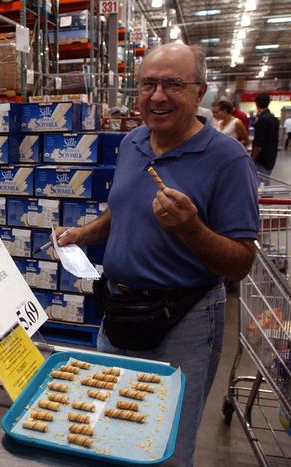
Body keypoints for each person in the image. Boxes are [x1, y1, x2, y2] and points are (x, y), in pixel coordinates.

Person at [56, 43, 258, 467]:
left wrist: (191, 229)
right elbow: (121, 209)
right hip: (117, 311)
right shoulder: (133, 142)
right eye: (149, 83)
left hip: (183, 323)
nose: (158, 95)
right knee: (107, 428)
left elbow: (240, 261)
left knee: (162, 445)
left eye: (173, 84)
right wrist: (83, 233)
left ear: (199, 92)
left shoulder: (228, 160)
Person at [251, 92, 280, 178]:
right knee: (265, 182)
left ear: (256, 103)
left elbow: (259, 143)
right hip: (271, 156)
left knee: (258, 183)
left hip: (261, 159)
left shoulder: (262, 119)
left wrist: (252, 158)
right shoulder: (273, 118)